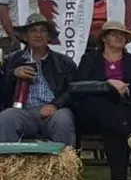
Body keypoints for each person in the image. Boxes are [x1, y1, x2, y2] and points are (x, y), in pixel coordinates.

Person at [74, 21, 131, 180]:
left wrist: (125, 88)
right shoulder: (89, 59)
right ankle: (128, 140)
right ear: (103, 38)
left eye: (122, 35)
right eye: (114, 34)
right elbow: (79, 85)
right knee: (98, 104)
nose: (119, 37)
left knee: (113, 124)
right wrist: (107, 84)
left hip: (127, 108)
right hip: (93, 113)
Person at [0, 13, 77, 145]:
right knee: (6, 117)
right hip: (22, 112)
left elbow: (73, 91)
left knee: (63, 119)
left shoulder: (64, 62)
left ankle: (65, 164)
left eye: (43, 31)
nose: (38, 35)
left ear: (48, 37)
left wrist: (55, 105)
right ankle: (7, 164)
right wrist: (13, 75)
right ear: (25, 36)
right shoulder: (12, 60)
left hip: (54, 112)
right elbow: (2, 94)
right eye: (33, 31)